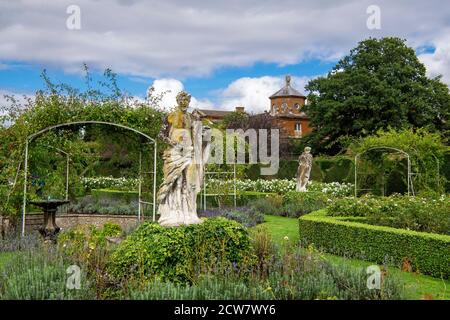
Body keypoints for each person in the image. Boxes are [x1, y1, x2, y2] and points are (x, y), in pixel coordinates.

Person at [156, 91, 210, 226]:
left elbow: (196, 134)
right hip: (174, 153)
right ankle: (174, 213)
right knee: (176, 181)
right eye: (182, 100)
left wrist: (204, 133)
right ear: (177, 101)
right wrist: (172, 142)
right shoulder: (170, 116)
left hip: (189, 152)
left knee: (190, 181)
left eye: (186, 101)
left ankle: (189, 213)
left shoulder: (191, 118)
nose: (184, 103)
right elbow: (161, 135)